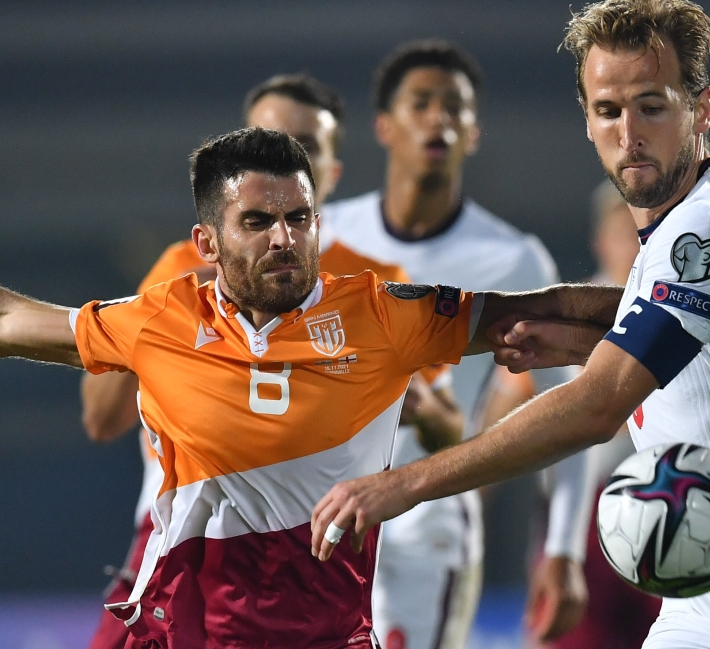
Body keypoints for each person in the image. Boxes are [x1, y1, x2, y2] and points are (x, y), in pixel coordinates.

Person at [311, 1, 710, 646]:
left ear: (701, 109)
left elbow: (599, 405)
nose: (629, 132)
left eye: (652, 106)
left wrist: (405, 484)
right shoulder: (664, 243)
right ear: (587, 121)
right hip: (707, 611)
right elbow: (623, 317)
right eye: (608, 110)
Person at [0, 127, 619, 646]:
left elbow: (547, 312)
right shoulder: (159, 319)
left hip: (328, 635)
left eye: (299, 219)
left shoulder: (383, 314)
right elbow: (13, 319)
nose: (284, 238)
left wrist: (684, 312)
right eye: (258, 221)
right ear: (206, 243)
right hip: (186, 634)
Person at [80, 73, 464, 649]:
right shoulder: (184, 271)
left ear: (327, 175)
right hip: (182, 553)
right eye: (267, 135)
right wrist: (149, 347)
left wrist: (420, 407)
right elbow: (101, 421)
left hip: (315, 567)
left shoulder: (379, 290)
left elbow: (449, 429)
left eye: (304, 144)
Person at [321, 41, 593, 647]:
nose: (438, 118)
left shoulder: (514, 259)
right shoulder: (325, 236)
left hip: (430, 518)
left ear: (473, 132)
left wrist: (564, 550)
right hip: (318, 510)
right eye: (422, 103)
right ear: (385, 126)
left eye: (455, 107)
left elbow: (572, 413)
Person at [479, 180, 657, 649]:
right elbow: (503, 409)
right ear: (601, 240)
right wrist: (469, 504)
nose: (635, 247)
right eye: (624, 233)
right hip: (584, 522)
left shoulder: (691, 312)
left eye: (644, 233)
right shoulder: (568, 317)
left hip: (672, 508)